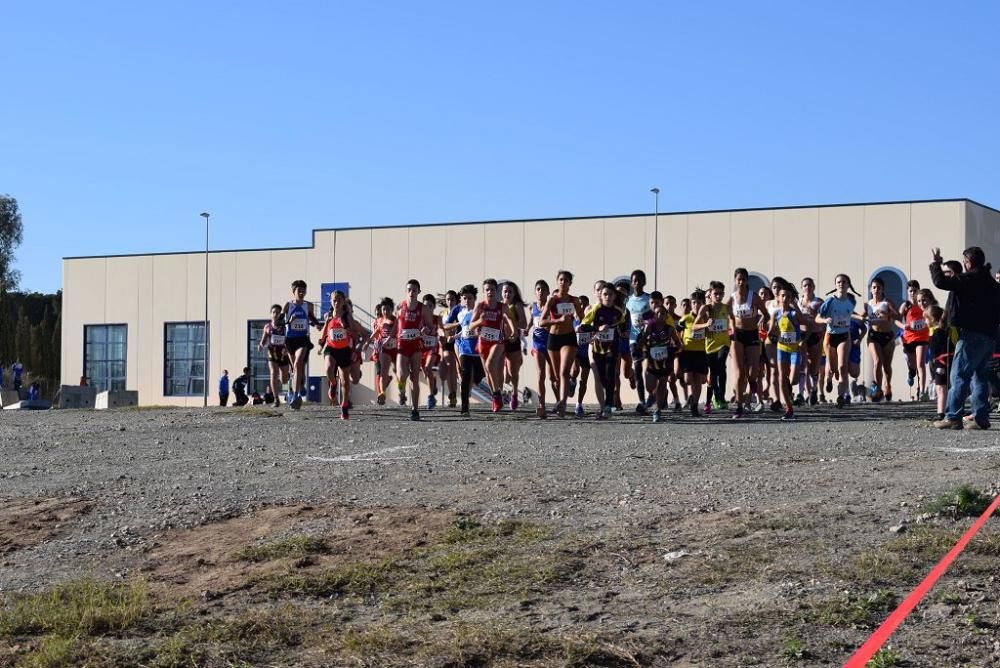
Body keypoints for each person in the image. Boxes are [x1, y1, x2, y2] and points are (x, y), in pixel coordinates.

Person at [930, 246, 1000, 430]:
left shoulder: (969, 279)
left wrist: (936, 264)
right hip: (990, 336)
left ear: (968, 262)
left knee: (959, 375)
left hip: (972, 335)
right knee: (980, 377)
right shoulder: (993, 283)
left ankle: (953, 416)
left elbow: (940, 282)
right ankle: (980, 418)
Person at [541, 270, 585, 418]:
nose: (563, 282)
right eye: (561, 279)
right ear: (557, 281)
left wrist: (580, 317)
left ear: (570, 283)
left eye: (566, 280)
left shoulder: (574, 300)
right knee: (556, 377)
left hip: (569, 338)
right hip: (554, 338)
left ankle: (563, 403)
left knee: (564, 372)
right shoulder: (552, 300)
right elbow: (542, 322)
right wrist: (557, 321)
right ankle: (560, 400)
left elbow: (582, 318)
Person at [581, 282, 627, 419]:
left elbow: (623, 324)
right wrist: (597, 329)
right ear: (601, 295)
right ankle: (607, 400)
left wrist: (622, 332)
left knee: (610, 373)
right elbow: (583, 326)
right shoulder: (595, 310)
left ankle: (607, 406)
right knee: (601, 377)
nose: (607, 297)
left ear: (614, 297)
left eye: (610, 294)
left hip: (612, 348)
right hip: (597, 348)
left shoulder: (618, 312)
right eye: (605, 294)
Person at [471, 278, 517, 412]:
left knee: (491, 365)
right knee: (488, 371)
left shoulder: (501, 306)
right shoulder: (480, 306)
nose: (490, 292)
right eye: (487, 290)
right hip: (483, 342)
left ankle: (497, 394)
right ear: (484, 292)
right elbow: (471, 325)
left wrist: (513, 331)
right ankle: (496, 396)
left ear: (496, 292)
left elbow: (509, 318)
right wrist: (479, 322)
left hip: (498, 341)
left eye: (492, 290)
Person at [726, 268, 768, 419]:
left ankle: (752, 389)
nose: (741, 282)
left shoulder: (754, 297)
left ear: (747, 281)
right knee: (738, 374)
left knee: (752, 373)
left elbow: (766, 313)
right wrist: (730, 324)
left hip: (752, 335)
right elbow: (725, 312)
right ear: (735, 281)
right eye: (739, 280)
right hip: (737, 335)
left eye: (744, 279)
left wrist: (761, 321)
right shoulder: (732, 298)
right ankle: (738, 406)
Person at [816, 274, 860, 409]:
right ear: (835, 285)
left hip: (844, 336)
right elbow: (817, 318)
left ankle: (840, 397)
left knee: (842, 367)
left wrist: (860, 318)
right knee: (833, 369)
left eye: (844, 282)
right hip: (830, 337)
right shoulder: (830, 301)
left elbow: (849, 314)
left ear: (848, 285)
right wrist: (825, 320)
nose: (841, 284)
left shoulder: (851, 301)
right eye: (838, 282)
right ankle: (829, 379)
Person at [396, 279, 437, 421]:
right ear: (406, 291)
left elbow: (431, 326)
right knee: (402, 375)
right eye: (409, 289)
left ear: (419, 292)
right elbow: (396, 325)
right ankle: (401, 391)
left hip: (416, 345)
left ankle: (414, 409)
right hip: (402, 344)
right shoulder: (400, 307)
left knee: (414, 378)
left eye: (414, 290)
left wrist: (427, 329)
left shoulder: (423, 308)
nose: (411, 292)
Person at [442, 284, 485, 416]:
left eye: (470, 298)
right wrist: (457, 326)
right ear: (461, 299)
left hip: (478, 349)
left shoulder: (480, 310)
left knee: (479, 375)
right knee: (465, 376)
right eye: (464, 298)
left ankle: (471, 385)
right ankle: (464, 408)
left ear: (475, 298)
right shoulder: (458, 311)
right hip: (464, 347)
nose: (467, 301)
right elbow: (445, 325)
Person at [282, 280, 322, 410]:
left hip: (303, 338)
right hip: (290, 340)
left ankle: (297, 395)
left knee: (298, 364)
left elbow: (311, 317)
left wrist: (317, 324)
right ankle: (292, 391)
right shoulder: (288, 305)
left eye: (303, 291)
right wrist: (289, 320)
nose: (301, 293)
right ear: (293, 292)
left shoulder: (308, 305)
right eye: (299, 291)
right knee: (293, 369)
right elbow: (279, 322)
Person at [318, 290, 356, 419]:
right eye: (334, 300)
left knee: (345, 381)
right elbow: (325, 332)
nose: (336, 302)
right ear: (331, 302)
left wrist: (344, 326)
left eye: (339, 300)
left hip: (344, 349)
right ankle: (333, 384)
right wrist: (320, 345)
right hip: (331, 347)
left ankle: (344, 406)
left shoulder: (347, 316)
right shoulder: (328, 315)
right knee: (328, 368)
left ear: (343, 301)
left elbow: (354, 332)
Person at [768, 285, 801, 420]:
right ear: (779, 298)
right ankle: (788, 408)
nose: (785, 298)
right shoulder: (775, 313)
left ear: (791, 298)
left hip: (794, 349)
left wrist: (802, 339)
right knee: (781, 377)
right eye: (783, 296)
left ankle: (788, 390)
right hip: (781, 348)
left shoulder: (794, 313)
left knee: (792, 380)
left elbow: (806, 324)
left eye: (788, 296)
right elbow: (771, 331)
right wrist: (773, 331)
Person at [865, 277, 900, 402]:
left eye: (878, 287)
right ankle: (877, 389)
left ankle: (887, 385)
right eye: (874, 287)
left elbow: (898, 316)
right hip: (873, 336)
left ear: (882, 289)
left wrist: (888, 315)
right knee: (877, 361)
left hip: (887, 336)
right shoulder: (867, 304)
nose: (876, 289)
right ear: (870, 289)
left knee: (886, 365)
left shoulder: (886, 302)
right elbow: (862, 316)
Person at [625, 270, 653, 414]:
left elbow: (653, 318)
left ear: (644, 282)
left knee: (650, 370)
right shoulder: (628, 301)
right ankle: (642, 401)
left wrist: (646, 331)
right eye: (635, 280)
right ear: (631, 282)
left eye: (640, 280)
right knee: (637, 370)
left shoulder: (648, 299)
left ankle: (655, 394)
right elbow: (625, 319)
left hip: (648, 338)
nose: (637, 283)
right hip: (633, 338)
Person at [704, 281, 731, 413]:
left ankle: (721, 395)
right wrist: (705, 325)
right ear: (711, 295)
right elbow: (694, 327)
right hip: (710, 346)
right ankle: (713, 398)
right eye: (716, 294)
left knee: (721, 365)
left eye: (721, 294)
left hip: (724, 343)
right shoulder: (706, 309)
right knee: (714, 372)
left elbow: (735, 321)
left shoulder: (727, 308)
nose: (719, 296)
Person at [257, 304, 291, 408]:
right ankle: (276, 399)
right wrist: (261, 345)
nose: (275, 314)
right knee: (273, 373)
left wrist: (287, 348)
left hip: (283, 354)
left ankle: (287, 381)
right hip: (272, 353)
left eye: (277, 312)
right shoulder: (267, 327)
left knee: (284, 379)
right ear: (271, 314)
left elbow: (290, 340)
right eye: (273, 312)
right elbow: (263, 340)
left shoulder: (285, 326)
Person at [926, 305, 956, 422]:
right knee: (943, 389)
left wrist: (940, 366)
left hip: (941, 365)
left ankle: (941, 413)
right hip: (943, 364)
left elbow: (942, 352)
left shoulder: (938, 333)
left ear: (932, 319)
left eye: (926, 319)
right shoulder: (945, 331)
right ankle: (944, 411)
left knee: (941, 390)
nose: (925, 322)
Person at [501, 281, 528, 411]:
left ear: (514, 293)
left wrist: (512, 325)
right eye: (505, 291)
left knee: (513, 371)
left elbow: (524, 323)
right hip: (500, 341)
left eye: (510, 291)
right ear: (501, 293)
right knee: (500, 371)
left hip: (513, 340)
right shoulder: (498, 306)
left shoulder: (516, 305)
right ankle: (499, 394)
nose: (507, 294)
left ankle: (515, 393)